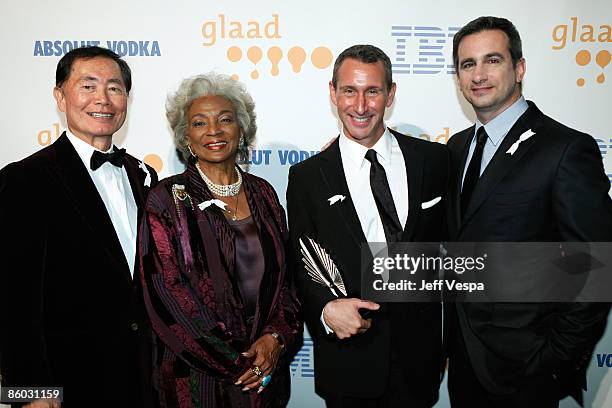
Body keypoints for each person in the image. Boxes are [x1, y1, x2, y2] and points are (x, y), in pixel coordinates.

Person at [446, 16, 612, 407]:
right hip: (465, 364)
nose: (479, 74)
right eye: (468, 64)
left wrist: (553, 359)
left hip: (528, 372)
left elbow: (597, 265)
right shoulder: (455, 149)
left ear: (519, 68)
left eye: (493, 60)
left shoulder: (565, 149)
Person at [286, 44, 449, 407]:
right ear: (333, 93)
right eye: (349, 91)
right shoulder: (308, 177)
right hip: (348, 364)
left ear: (390, 95)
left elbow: (452, 251)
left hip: (420, 365)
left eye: (372, 91)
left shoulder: (435, 161)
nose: (360, 106)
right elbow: (300, 261)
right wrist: (326, 309)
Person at [0, 46, 158, 407]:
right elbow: (13, 300)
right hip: (68, 386)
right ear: (60, 96)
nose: (103, 99)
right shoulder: (26, 179)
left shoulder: (144, 175)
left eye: (115, 88)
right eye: (88, 86)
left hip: (144, 382)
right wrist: (30, 393)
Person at [139, 73, 302, 408]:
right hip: (199, 383)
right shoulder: (166, 199)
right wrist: (240, 362)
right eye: (200, 123)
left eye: (225, 119)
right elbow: (167, 295)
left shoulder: (264, 193)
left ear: (241, 129)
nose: (213, 131)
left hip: (267, 379)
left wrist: (275, 339)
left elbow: (288, 281)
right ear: (186, 137)